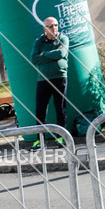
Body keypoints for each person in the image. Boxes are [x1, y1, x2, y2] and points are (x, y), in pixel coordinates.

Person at [29, 16, 68, 147]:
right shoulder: (38, 42)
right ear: (45, 28)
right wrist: (52, 54)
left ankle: (61, 138)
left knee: (60, 108)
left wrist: (44, 54)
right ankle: (40, 140)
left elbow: (61, 54)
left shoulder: (63, 39)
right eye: (50, 26)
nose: (54, 28)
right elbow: (34, 58)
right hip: (43, 80)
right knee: (40, 110)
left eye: (56, 25)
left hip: (59, 78)